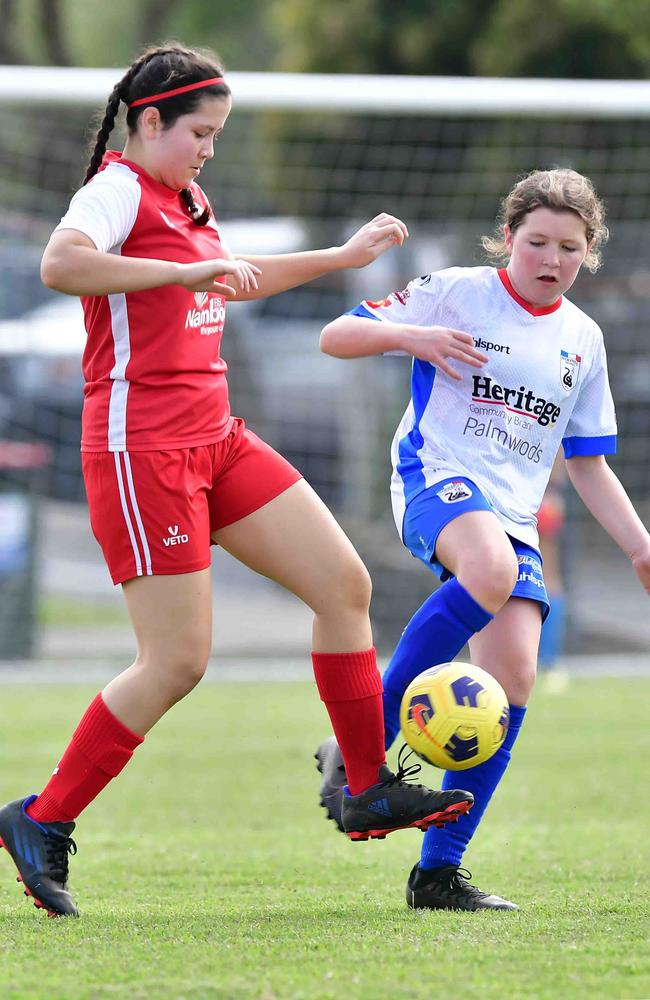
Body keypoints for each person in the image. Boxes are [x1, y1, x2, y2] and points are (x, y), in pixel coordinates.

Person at [0, 44, 474, 919]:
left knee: (345, 586)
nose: (210, 148)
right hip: (141, 451)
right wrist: (181, 271)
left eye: (218, 134)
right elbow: (60, 266)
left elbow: (236, 284)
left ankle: (366, 787)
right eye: (200, 132)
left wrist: (341, 255)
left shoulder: (186, 196)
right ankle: (41, 818)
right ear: (150, 123)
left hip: (216, 437)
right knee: (177, 661)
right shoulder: (116, 190)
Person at [316, 168, 650, 911]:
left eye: (569, 246)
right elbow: (336, 335)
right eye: (535, 241)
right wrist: (413, 336)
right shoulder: (459, 290)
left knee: (512, 683)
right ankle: (363, 751)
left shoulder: (582, 341)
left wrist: (639, 546)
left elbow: (588, 462)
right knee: (491, 567)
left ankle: (437, 876)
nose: (549, 258)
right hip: (434, 477)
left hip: (516, 514)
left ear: (588, 252)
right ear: (509, 238)